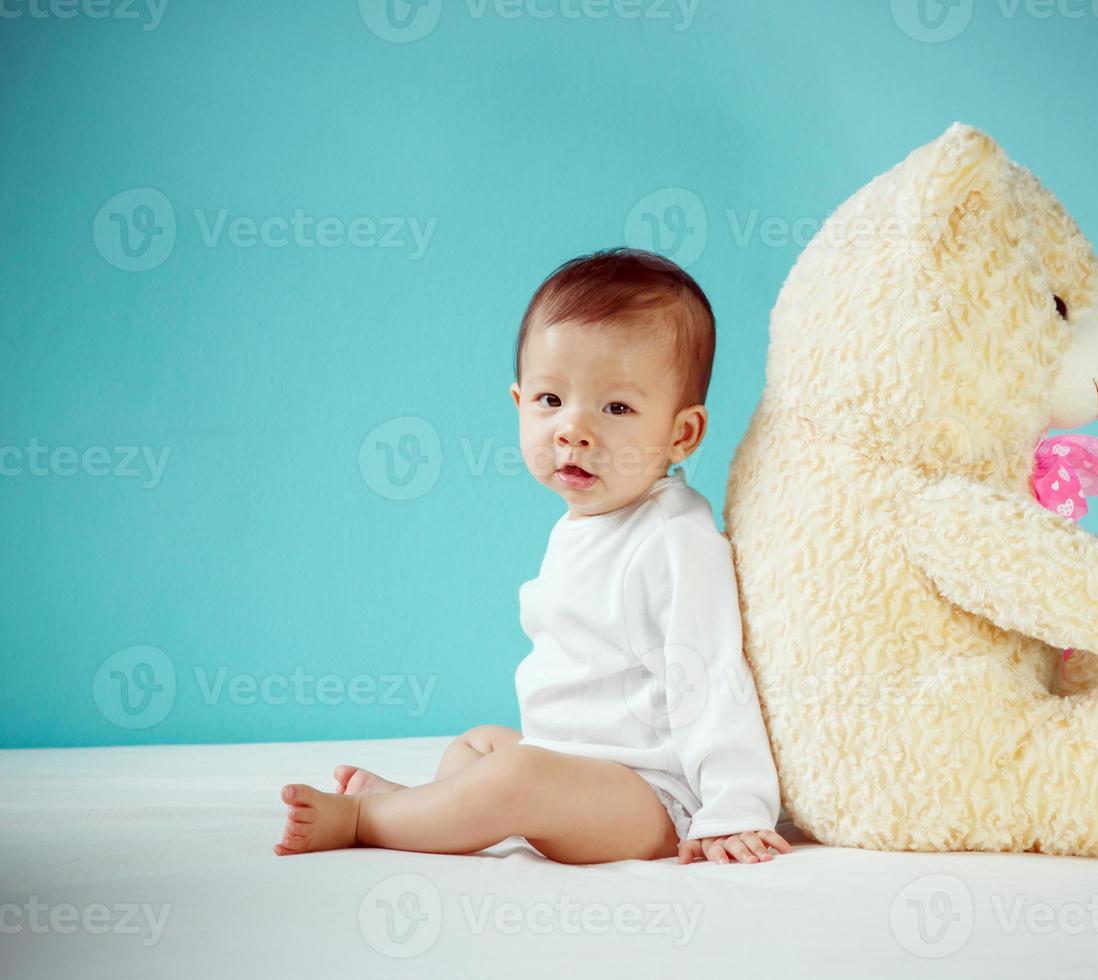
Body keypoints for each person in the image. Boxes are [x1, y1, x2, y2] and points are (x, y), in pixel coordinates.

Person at [273, 248, 792, 866]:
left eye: (617, 408)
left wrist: (734, 808)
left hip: (648, 798)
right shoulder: (586, 525)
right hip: (565, 765)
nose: (574, 429)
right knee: (481, 745)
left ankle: (368, 818)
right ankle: (431, 808)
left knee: (516, 777)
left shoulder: (674, 538)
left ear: (682, 434)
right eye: (551, 400)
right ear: (518, 401)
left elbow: (709, 675)